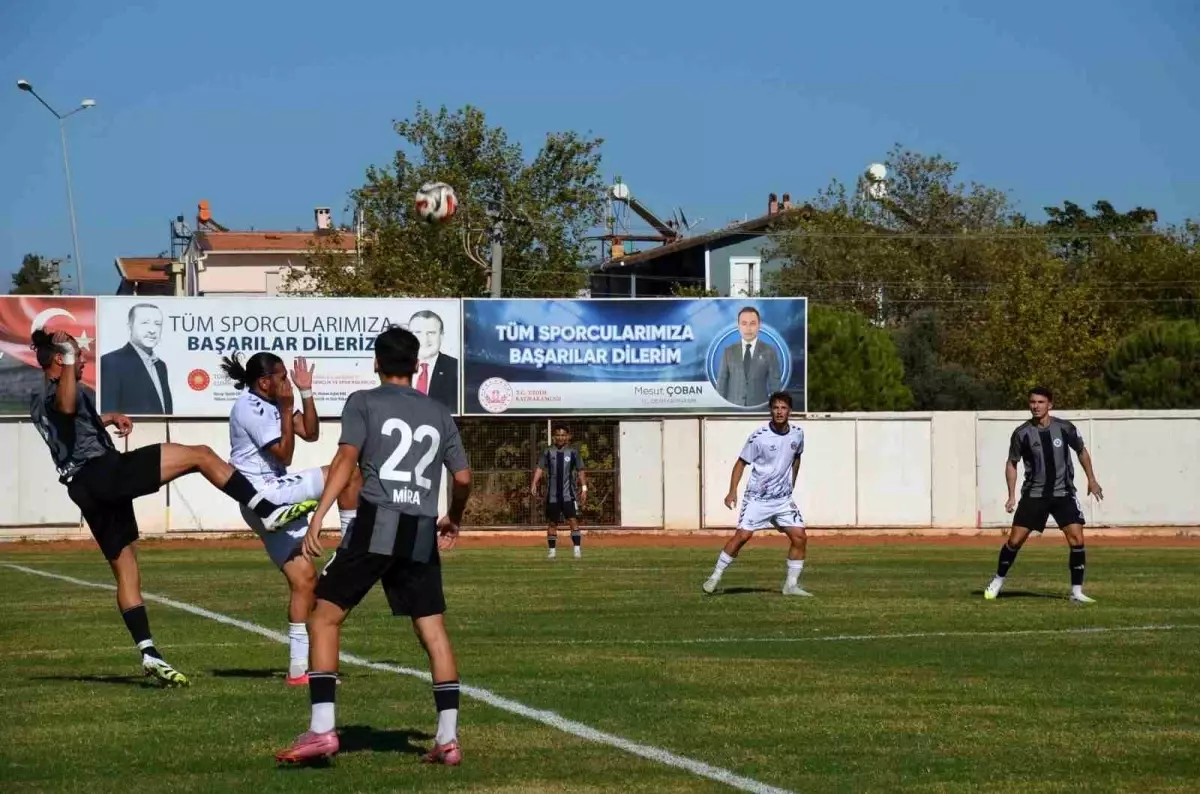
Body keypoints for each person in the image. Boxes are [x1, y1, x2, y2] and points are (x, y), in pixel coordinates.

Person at [28, 329, 318, 686]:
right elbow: (68, 405)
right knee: (200, 455)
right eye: (75, 355)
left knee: (128, 569)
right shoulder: (60, 389)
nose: (82, 359)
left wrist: (108, 417)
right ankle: (266, 508)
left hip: (83, 488)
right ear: (60, 359)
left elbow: (69, 424)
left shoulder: (35, 398)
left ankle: (149, 653)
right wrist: (70, 360)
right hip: (103, 472)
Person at [275, 326, 472, 767]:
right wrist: (454, 517)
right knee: (432, 631)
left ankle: (322, 731)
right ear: (418, 366)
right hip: (420, 529)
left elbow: (346, 459)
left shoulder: (363, 402)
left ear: (376, 363)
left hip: (378, 523)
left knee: (323, 617)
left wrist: (321, 514)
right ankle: (448, 739)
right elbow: (462, 478)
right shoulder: (440, 412)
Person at [222, 351, 362, 686]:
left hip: (270, 498)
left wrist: (305, 392)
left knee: (305, 581)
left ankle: (298, 670)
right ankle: (349, 545)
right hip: (263, 494)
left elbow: (310, 433)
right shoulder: (250, 407)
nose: (286, 382)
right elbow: (284, 453)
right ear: (264, 381)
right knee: (348, 474)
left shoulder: (275, 401)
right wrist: (286, 408)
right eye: (282, 377)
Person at [984, 387, 1104, 603]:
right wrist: (1011, 495)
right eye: (1032, 402)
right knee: (1015, 541)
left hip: (1063, 493)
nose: (1035, 406)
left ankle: (1077, 592)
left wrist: (1092, 480)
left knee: (1077, 539)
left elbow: (1081, 451)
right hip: (1034, 494)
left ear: (1050, 404)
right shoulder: (1022, 433)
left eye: (1040, 402)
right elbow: (1012, 463)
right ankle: (998, 580)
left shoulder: (1065, 428)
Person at [702, 391, 810, 596]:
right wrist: (732, 491)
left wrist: (792, 483)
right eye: (776, 408)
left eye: (783, 408)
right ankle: (715, 577)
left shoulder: (798, 434)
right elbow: (741, 463)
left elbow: (797, 457)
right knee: (743, 536)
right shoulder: (758, 437)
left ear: (790, 411)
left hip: (782, 500)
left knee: (800, 537)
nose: (779, 412)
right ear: (771, 410)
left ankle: (791, 585)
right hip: (757, 499)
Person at [100, 303, 173, 415]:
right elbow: (109, 413)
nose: (152, 330)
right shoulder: (111, 362)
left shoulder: (160, 366)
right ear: (130, 326)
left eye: (157, 324)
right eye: (145, 323)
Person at [531, 425, 588, 559]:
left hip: (569, 494)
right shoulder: (548, 452)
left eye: (563, 435)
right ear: (554, 436)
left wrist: (584, 488)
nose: (560, 437)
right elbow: (540, 468)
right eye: (558, 435)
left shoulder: (573, 452)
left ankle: (577, 550)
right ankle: (552, 552)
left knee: (573, 520)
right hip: (553, 495)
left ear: (568, 436)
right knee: (552, 522)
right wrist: (534, 483)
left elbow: (581, 470)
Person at [714, 306, 782, 408]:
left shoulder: (769, 351)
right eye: (744, 323)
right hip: (733, 409)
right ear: (738, 326)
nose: (748, 328)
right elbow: (721, 384)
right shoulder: (728, 351)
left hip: (760, 409)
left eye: (752, 324)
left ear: (759, 325)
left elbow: (775, 385)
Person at [408, 309, 458, 412]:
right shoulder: (396, 367)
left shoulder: (457, 369)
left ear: (441, 335)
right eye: (418, 332)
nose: (424, 339)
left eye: (431, 333)